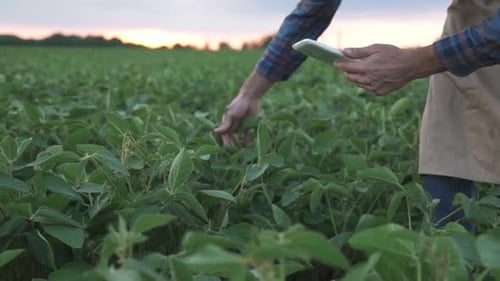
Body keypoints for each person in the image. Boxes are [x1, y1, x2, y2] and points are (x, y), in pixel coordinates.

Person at [214, 0, 500, 230]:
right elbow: (314, 9)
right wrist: (250, 92)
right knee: (447, 149)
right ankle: (454, 262)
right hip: (476, 23)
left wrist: (416, 62)